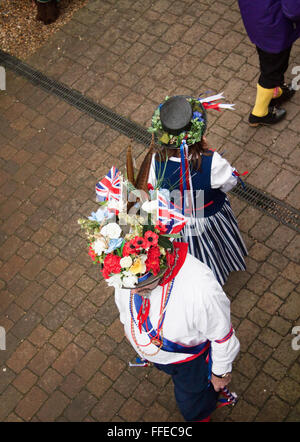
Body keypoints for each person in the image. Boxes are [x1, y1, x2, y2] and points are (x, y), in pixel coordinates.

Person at [115, 243, 240, 422]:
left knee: (192, 400)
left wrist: (220, 373)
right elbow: (123, 298)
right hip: (159, 357)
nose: (133, 291)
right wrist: (126, 322)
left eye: (141, 286)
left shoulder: (202, 290)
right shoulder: (126, 263)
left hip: (189, 365)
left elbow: (223, 338)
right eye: (129, 285)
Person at [147, 95, 248, 287]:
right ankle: (220, 268)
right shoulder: (212, 162)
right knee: (216, 243)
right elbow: (230, 182)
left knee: (194, 248)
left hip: (180, 218)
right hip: (210, 216)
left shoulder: (156, 160)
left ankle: (203, 273)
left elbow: (155, 187)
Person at [238, 0, 300, 126]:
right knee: (273, 71)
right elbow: (293, 10)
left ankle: (275, 92)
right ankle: (260, 113)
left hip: (255, 19)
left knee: (267, 61)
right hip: (275, 27)